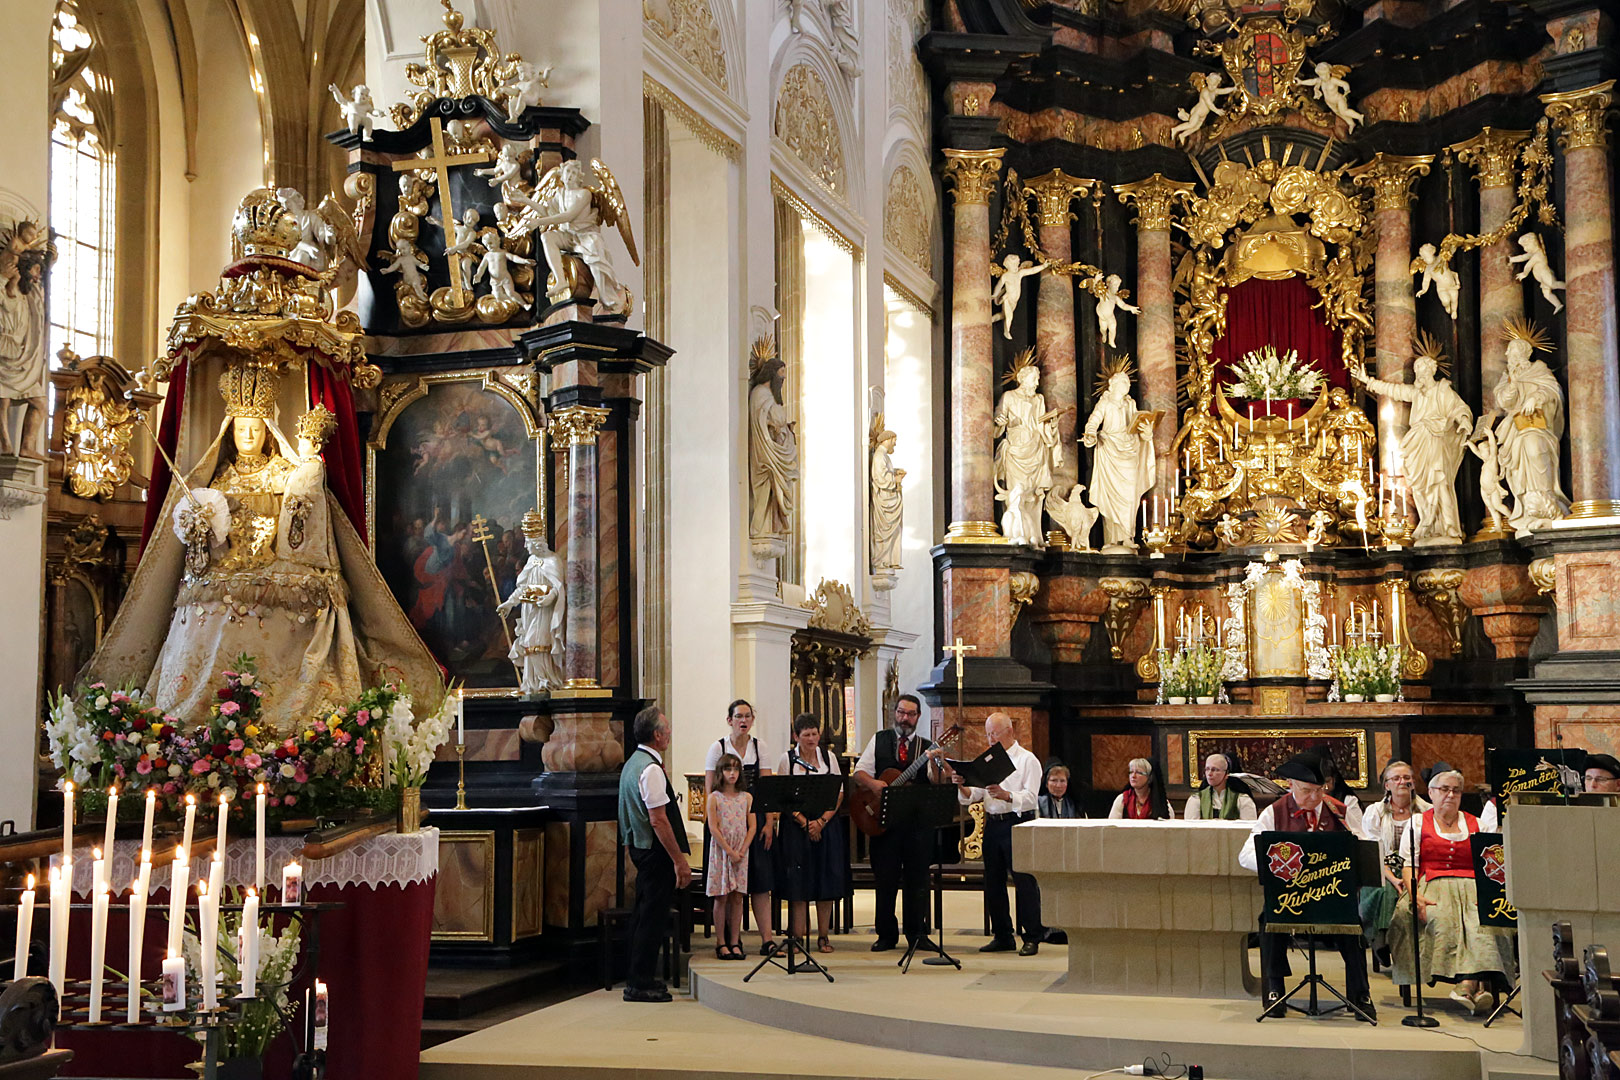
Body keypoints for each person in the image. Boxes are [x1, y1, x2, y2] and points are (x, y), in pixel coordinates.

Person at [1238, 753, 1374, 1020]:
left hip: (1331, 893)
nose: (1314, 797)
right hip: (1291, 894)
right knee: (1268, 919)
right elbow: (1246, 855)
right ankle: (1275, 990)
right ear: (1290, 785)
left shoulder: (1340, 811)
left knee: (1352, 923)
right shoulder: (1274, 812)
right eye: (1307, 791)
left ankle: (1360, 995)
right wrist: (1279, 866)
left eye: (1319, 790)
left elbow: (1364, 849)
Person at [1388, 765, 1516, 1015]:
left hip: (1472, 886)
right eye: (1444, 789)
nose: (1450, 795)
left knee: (1481, 922)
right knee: (1442, 918)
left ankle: (1468, 985)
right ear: (1431, 793)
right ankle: (1473, 987)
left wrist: (1489, 897)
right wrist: (1416, 896)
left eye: (1456, 790)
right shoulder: (1417, 823)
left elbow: (1490, 864)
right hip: (1432, 883)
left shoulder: (1476, 823)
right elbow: (1409, 865)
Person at [854, 693, 946, 951]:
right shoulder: (879, 740)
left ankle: (918, 934)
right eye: (901, 713)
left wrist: (938, 762)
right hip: (883, 824)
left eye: (911, 714)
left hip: (916, 825)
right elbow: (859, 772)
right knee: (885, 880)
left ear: (918, 717)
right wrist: (875, 785)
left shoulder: (927, 747)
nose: (905, 718)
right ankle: (886, 935)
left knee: (917, 881)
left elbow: (937, 782)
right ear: (895, 713)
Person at [955, 713, 1046, 955]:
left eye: (994, 733)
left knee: (1023, 881)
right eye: (987, 734)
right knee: (993, 881)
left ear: (1010, 732)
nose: (990, 739)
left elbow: (1031, 798)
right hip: (993, 824)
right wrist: (961, 784)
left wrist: (1007, 795)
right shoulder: (986, 760)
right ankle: (1002, 934)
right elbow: (973, 795)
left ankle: (1032, 936)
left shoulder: (1028, 760)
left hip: (1018, 823)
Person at [618, 705, 691, 1002]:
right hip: (655, 851)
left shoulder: (632, 763)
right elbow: (658, 819)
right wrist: (679, 861)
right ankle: (640, 982)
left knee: (644, 913)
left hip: (639, 847)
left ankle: (639, 975)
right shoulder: (650, 769)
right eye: (668, 729)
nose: (671, 733)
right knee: (652, 917)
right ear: (658, 735)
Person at [703, 700, 778, 957]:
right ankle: (725, 941)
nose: (743, 721)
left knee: (758, 881)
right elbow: (709, 789)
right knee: (725, 888)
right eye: (738, 716)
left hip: (751, 819)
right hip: (724, 825)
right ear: (729, 720)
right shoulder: (718, 747)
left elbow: (767, 788)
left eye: (747, 716)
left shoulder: (760, 747)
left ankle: (766, 939)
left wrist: (769, 822)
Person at [775, 714, 847, 954]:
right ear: (796, 736)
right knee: (798, 881)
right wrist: (805, 823)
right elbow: (783, 797)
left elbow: (838, 793)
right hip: (796, 827)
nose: (811, 739)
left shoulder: (829, 758)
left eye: (815, 734)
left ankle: (823, 936)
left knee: (825, 878)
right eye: (806, 735)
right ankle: (796, 936)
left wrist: (822, 821)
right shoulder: (787, 760)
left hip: (826, 824)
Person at [1358, 760, 1430, 962]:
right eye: (1396, 778)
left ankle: (1384, 939)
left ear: (1413, 784)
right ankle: (1384, 940)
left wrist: (1406, 876)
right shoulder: (1375, 812)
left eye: (1407, 778)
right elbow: (1374, 852)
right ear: (1387, 785)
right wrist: (1392, 877)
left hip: (1417, 868)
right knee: (1386, 888)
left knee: (1402, 887)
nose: (1402, 782)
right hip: (1383, 867)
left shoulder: (1426, 812)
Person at [705, 753, 754, 960]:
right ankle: (721, 942)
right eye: (728, 770)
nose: (732, 774)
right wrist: (729, 851)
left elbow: (752, 826)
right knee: (722, 896)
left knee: (737, 897)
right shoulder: (714, 797)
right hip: (722, 851)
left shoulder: (746, 797)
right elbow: (713, 828)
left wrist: (742, 850)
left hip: (741, 852)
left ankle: (735, 940)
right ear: (721, 772)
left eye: (735, 770)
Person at [1184, 752, 1257, 821]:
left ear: (1226, 774)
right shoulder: (1196, 800)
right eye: (1207, 769)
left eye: (1215, 770)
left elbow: (1248, 829)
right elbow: (1191, 830)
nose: (1209, 774)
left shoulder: (1242, 800)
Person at [1308, 750, 1364, 835]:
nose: (1324, 787)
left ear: (1334, 779)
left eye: (1327, 781)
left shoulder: (1348, 800)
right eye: (1320, 783)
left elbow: (1359, 833)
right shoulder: (1308, 799)